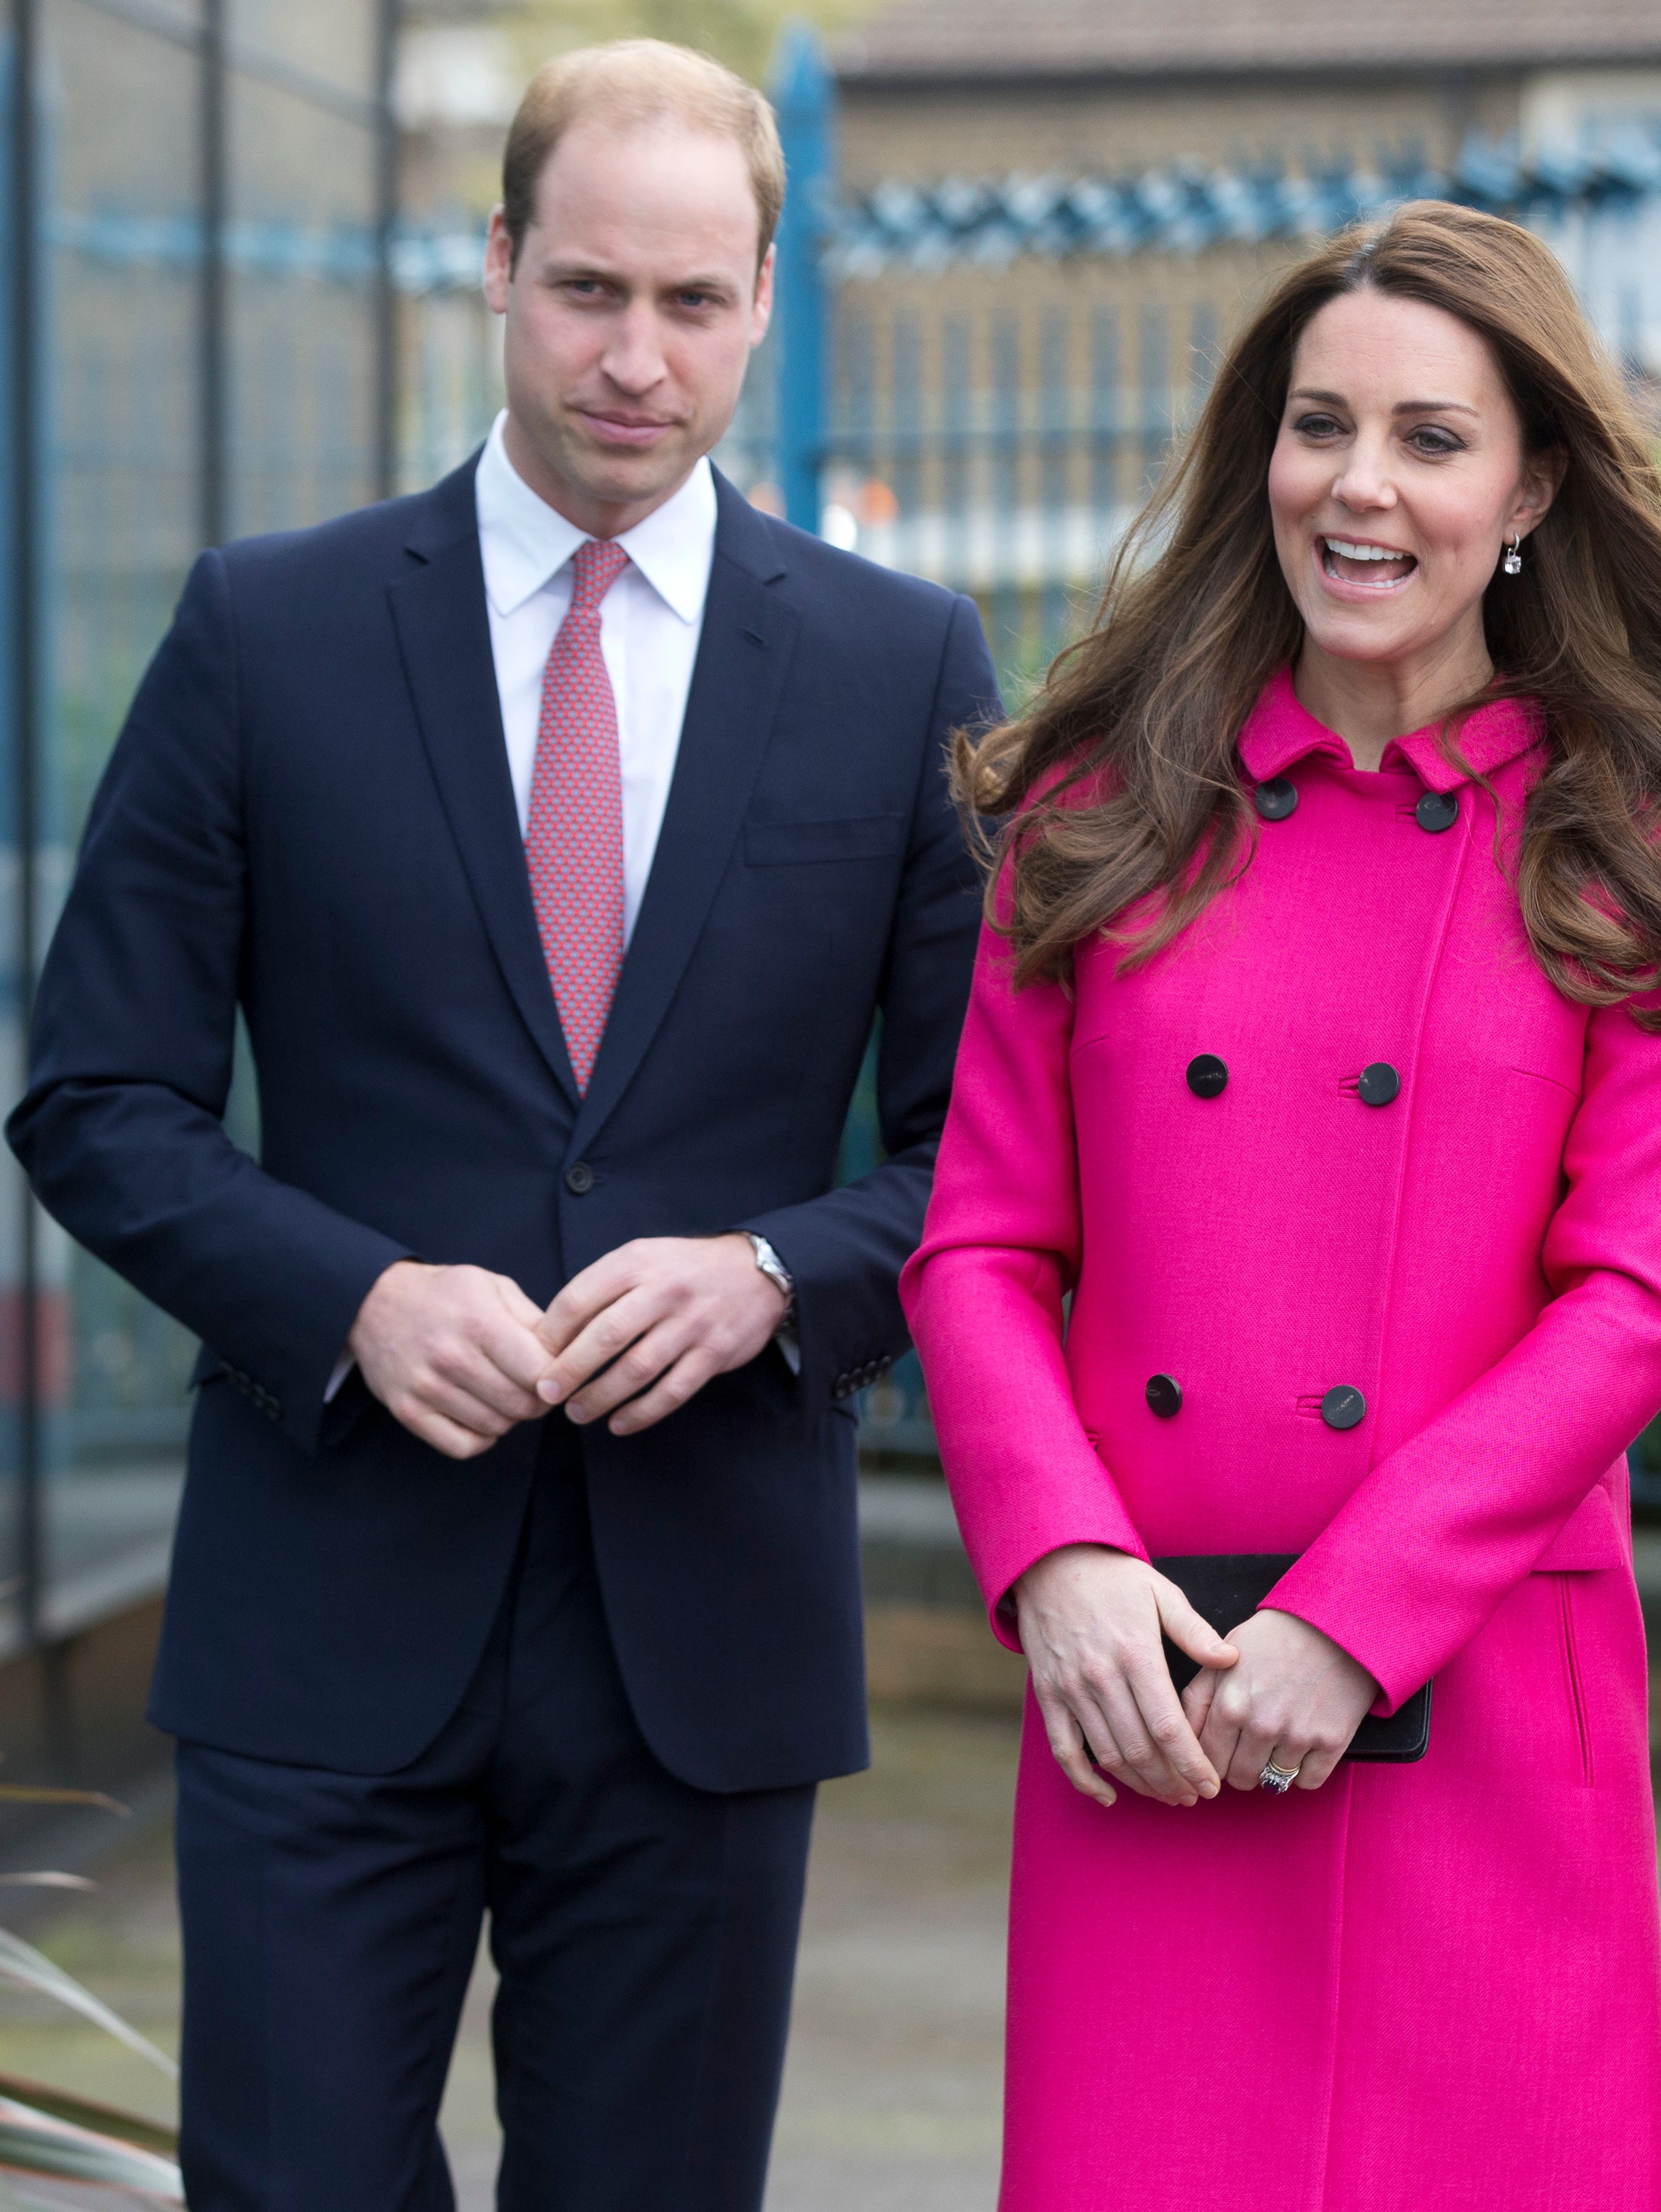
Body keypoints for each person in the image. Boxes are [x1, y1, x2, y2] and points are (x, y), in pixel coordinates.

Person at [7, 41, 995, 2210]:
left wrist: (771, 1277)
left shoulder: (903, 668)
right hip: (322, 1609)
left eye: (693, 302)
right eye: (585, 291)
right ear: (495, 267)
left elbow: (989, 1164)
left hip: (704, 1640)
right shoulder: (261, 629)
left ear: (766, 292)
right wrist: (348, 1296)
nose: (634, 360)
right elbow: (93, 1092)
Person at [901, 200, 1661, 2211]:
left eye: (1431, 437)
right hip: (1149, 1686)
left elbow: (1627, 1303)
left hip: (1480, 1697)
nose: (1363, 484)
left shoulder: (1633, 831)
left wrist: (1354, 1617)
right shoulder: (1098, 802)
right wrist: (1059, 1557)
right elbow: (984, 1239)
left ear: (1525, 488)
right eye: (1320, 424)